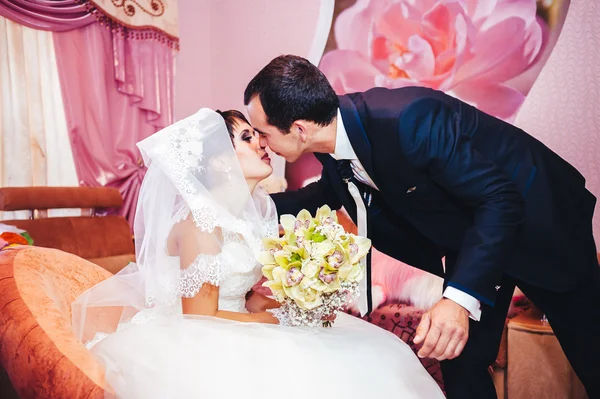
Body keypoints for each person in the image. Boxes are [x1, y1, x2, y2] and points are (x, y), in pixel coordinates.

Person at [244, 55, 600, 399]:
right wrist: (241, 207)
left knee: (590, 350)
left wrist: (457, 301)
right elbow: (324, 195)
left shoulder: (408, 120)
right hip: (477, 237)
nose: (261, 143)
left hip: (542, 224)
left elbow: (499, 199)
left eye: (262, 132)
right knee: (459, 356)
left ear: (299, 130)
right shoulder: (333, 142)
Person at [72, 108, 445, 399]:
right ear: (219, 159)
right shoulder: (200, 224)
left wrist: (302, 309)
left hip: (231, 323)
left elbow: (246, 296)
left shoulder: (249, 213)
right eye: (248, 137)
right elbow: (201, 317)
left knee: (368, 354)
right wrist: (281, 321)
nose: (262, 143)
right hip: (198, 340)